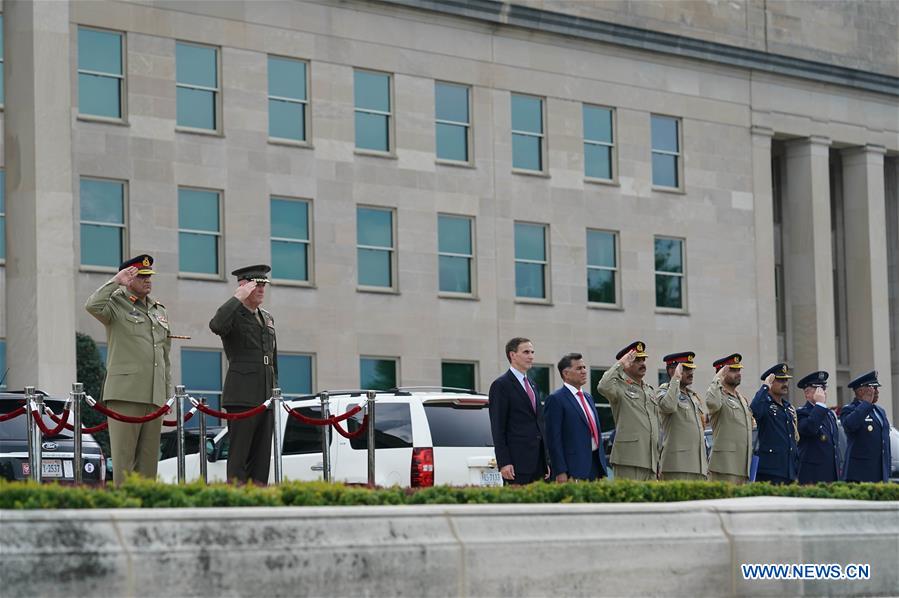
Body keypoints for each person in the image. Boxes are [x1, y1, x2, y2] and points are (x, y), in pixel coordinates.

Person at [85, 254, 172, 483]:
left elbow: (164, 355)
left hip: (154, 395)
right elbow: (92, 305)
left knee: (148, 464)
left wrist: (167, 395)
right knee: (124, 463)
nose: (147, 280)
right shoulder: (115, 303)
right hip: (125, 394)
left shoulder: (158, 309)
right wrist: (116, 281)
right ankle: (124, 514)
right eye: (141, 276)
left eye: (149, 276)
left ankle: (146, 513)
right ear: (129, 277)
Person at [209, 265, 278, 485]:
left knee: (261, 456)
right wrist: (237, 297)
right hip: (242, 394)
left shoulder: (266, 317)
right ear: (243, 286)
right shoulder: (233, 314)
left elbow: (272, 358)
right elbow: (216, 325)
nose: (261, 289)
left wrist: (275, 389)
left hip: (265, 394)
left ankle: (258, 497)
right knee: (239, 455)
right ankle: (237, 497)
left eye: (263, 285)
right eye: (256, 284)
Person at [596, 341, 660, 481]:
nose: (642, 363)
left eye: (643, 359)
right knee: (632, 501)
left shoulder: (648, 390)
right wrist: (620, 364)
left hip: (651, 460)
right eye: (637, 360)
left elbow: (656, 423)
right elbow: (602, 386)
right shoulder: (618, 385)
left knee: (650, 502)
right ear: (627, 363)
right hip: (629, 459)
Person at [488, 337, 548, 485]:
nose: (531, 356)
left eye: (532, 352)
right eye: (526, 352)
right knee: (519, 507)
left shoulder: (533, 385)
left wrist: (546, 460)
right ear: (512, 355)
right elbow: (498, 428)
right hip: (516, 465)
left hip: (538, 464)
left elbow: (538, 423)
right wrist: (504, 462)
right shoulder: (501, 385)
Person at [544, 353, 609, 482]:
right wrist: (560, 470)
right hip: (573, 468)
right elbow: (553, 439)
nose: (584, 371)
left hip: (596, 465)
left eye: (584, 367)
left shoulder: (588, 397)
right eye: (579, 368)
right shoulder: (556, 399)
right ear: (566, 373)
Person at [657, 352, 708, 481]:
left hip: (699, 466)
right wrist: (676, 378)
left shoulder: (693, 396)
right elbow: (668, 406)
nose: (690, 372)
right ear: (671, 370)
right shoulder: (663, 391)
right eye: (685, 369)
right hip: (677, 466)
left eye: (691, 369)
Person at [705, 353, 754, 484]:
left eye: (738, 370)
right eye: (732, 370)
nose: (738, 373)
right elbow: (712, 403)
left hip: (742, 467)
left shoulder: (742, 399)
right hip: (724, 467)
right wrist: (717, 378)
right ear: (722, 372)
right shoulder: (718, 395)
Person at [750, 363, 799, 484]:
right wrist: (765, 387)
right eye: (780, 380)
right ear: (771, 382)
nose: (785, 384)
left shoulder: (788, 407)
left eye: (786, 380)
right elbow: (754, 410)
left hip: (789, 470)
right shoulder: (764, 404)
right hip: (770, 471)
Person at [840, 370, 892, 483]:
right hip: (860, 474)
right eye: (873, 388)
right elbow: (850, 426)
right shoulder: (849, 409)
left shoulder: (880, 411)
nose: (877, 391)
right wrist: (866, 403)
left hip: (880, 473)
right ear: (860, 390)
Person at [795, 371, 841, 484]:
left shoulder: (829, 414)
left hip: (831, 474)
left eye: (824, 388)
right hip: (812, 475)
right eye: (819, 388)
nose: (823, 392)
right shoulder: (801, 413)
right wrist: (820, 405)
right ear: (807, 393)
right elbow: (810, 428)